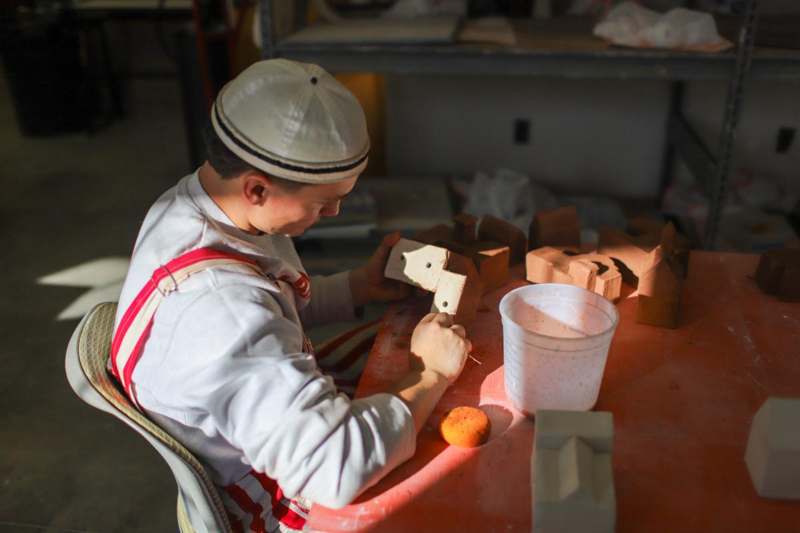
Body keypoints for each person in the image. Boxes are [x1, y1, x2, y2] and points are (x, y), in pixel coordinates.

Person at [110, 58, 471, 532]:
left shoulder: (194, 208)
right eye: (323, 202)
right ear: (257, 188)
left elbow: (267, 305)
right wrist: (430, 374)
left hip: (268, 418)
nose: (335, 211)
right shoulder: (221, 313)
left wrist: (355, 287)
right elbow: (335, 470)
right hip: (272, 496)